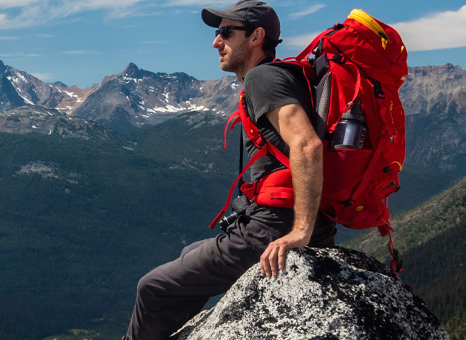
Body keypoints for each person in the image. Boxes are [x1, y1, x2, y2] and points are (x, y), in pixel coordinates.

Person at [123, 1, 338, 339]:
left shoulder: (263, 78)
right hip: (273, 222)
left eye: (225, 32)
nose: (215, 42)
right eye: (216, 32)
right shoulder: (282, 75)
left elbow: (307, 144)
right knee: (189, 253)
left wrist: (301, 232)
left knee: (150, 287)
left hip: (268, 231)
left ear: (256, 36)